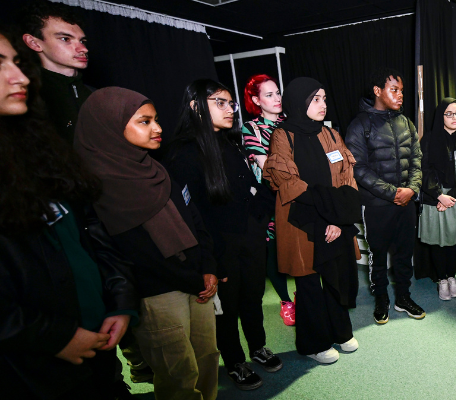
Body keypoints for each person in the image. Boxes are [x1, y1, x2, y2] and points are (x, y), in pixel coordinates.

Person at [0, 28, 138, 399]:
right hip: (32, 371)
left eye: (16, 63)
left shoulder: (37, 149)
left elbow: (91, 229)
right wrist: (55, 337)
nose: (19, 77)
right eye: (0, 65)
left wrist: (120, 301)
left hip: (96, 349)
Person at [74, 87, 222, 399]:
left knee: (208, 358)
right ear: (110, 127)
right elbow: (135, 254)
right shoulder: (98, 188)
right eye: (144, 121)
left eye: (155, 120)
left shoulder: (157, 168)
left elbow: (195, 220)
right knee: (179, 373)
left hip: (197, 280)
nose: (158, 129)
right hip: (158, 293)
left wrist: (208, 266)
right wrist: (194, 278)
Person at [164, 79, 280, 391]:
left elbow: (250, 191)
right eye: (220, 102)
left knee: (253, 298)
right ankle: (234, 361)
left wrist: (261, 215)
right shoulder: (183, 154)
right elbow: (192, 215)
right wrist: (212, 261)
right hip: (219, 245)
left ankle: (258, 346)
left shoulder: (230, 143)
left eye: (231, 103)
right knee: (225, 310)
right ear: (195, 106)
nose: (230, 109)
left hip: (251, 236)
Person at [264, 77, 361, 364]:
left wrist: (338, 219)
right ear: (300, 102)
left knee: (336, 276)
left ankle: (341, 332)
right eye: (315, 99)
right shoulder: (282, 135)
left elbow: (347, 176)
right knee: (308, 283)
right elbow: (288, 182)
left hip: (334, 218)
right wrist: (327, 212)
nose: (323, 105)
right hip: (301, 219)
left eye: (324, 99)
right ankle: (314, 342)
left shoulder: (331, 134)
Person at [346, 68, 425, 324]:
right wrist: (393, 194)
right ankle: (381, 299)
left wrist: (411, 189)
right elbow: (358, 168)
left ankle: (403, 297)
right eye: (394, 89)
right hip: (378, 204)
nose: (400, 95)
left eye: (401, 90)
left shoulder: (406, 122)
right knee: (378, 256)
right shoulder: (359, 125)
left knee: (404, 254)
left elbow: (416, 158)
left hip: (406, 202)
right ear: (378, 91)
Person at [241, 74, 294, 326]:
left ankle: (303, 293)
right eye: (269, 94)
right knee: (272, 252)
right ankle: (286, 301)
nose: (276, 98)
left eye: (277, 93)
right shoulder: (251, 128)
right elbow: (266, 168)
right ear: (256, 100)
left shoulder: (291, 123)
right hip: (270, 199)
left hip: (298, 195)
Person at [415, 98, 456, 300]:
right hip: (435, 198)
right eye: (449, 113)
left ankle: (451, 276)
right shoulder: (429, 140)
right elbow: (424, 170)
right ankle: (441, 279)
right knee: (437, 241)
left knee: (453, 241)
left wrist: (451, 197)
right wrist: (440, 195)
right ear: (441, 115)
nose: (454, 117)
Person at [19, 0, 90, 144]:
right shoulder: (26, 98)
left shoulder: (96, 95)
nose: (83, 49)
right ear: (34, 43)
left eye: (82, 41)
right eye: (65, 39)